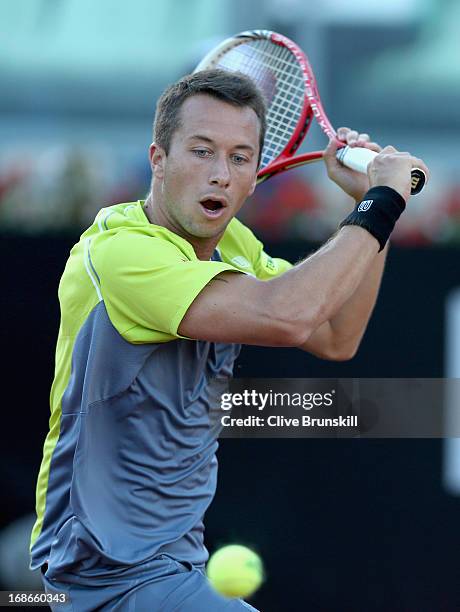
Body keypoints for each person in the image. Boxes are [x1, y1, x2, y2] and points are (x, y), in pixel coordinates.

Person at [30, 69, 428, 611]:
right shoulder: (120, 253)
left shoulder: (234, 244)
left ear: (254, 175)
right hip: (101, 576)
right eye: (201, 151)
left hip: (170, 566)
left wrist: (368, 208)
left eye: (240, 158)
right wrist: (380, 201)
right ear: (158, 160)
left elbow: (336, 334)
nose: (221, 174)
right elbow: (289, 316)